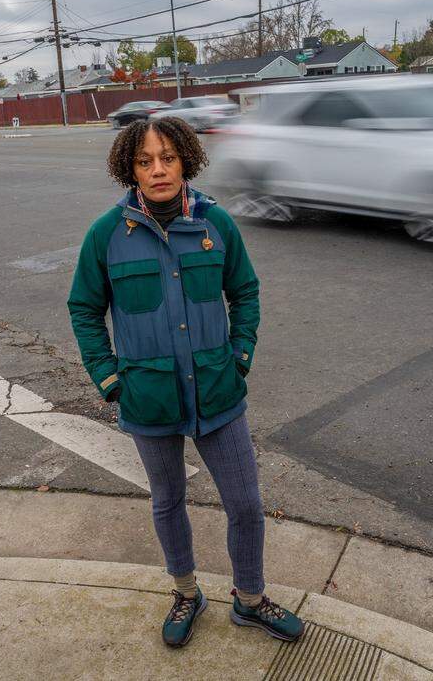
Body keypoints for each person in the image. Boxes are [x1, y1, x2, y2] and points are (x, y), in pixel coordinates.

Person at [67, 116, 304, 648]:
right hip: (148, 398)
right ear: (130, 168)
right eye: (146, 161)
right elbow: (84, 309)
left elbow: (245, 291)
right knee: (168, 501)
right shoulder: (106, 234)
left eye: (168, 158)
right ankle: (186, 591)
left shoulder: (216, 224)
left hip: (219, 392)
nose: (158, 170)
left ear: (186, 161)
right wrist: (109, 377)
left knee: (245, 503)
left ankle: (249, 599)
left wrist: (240, 354)